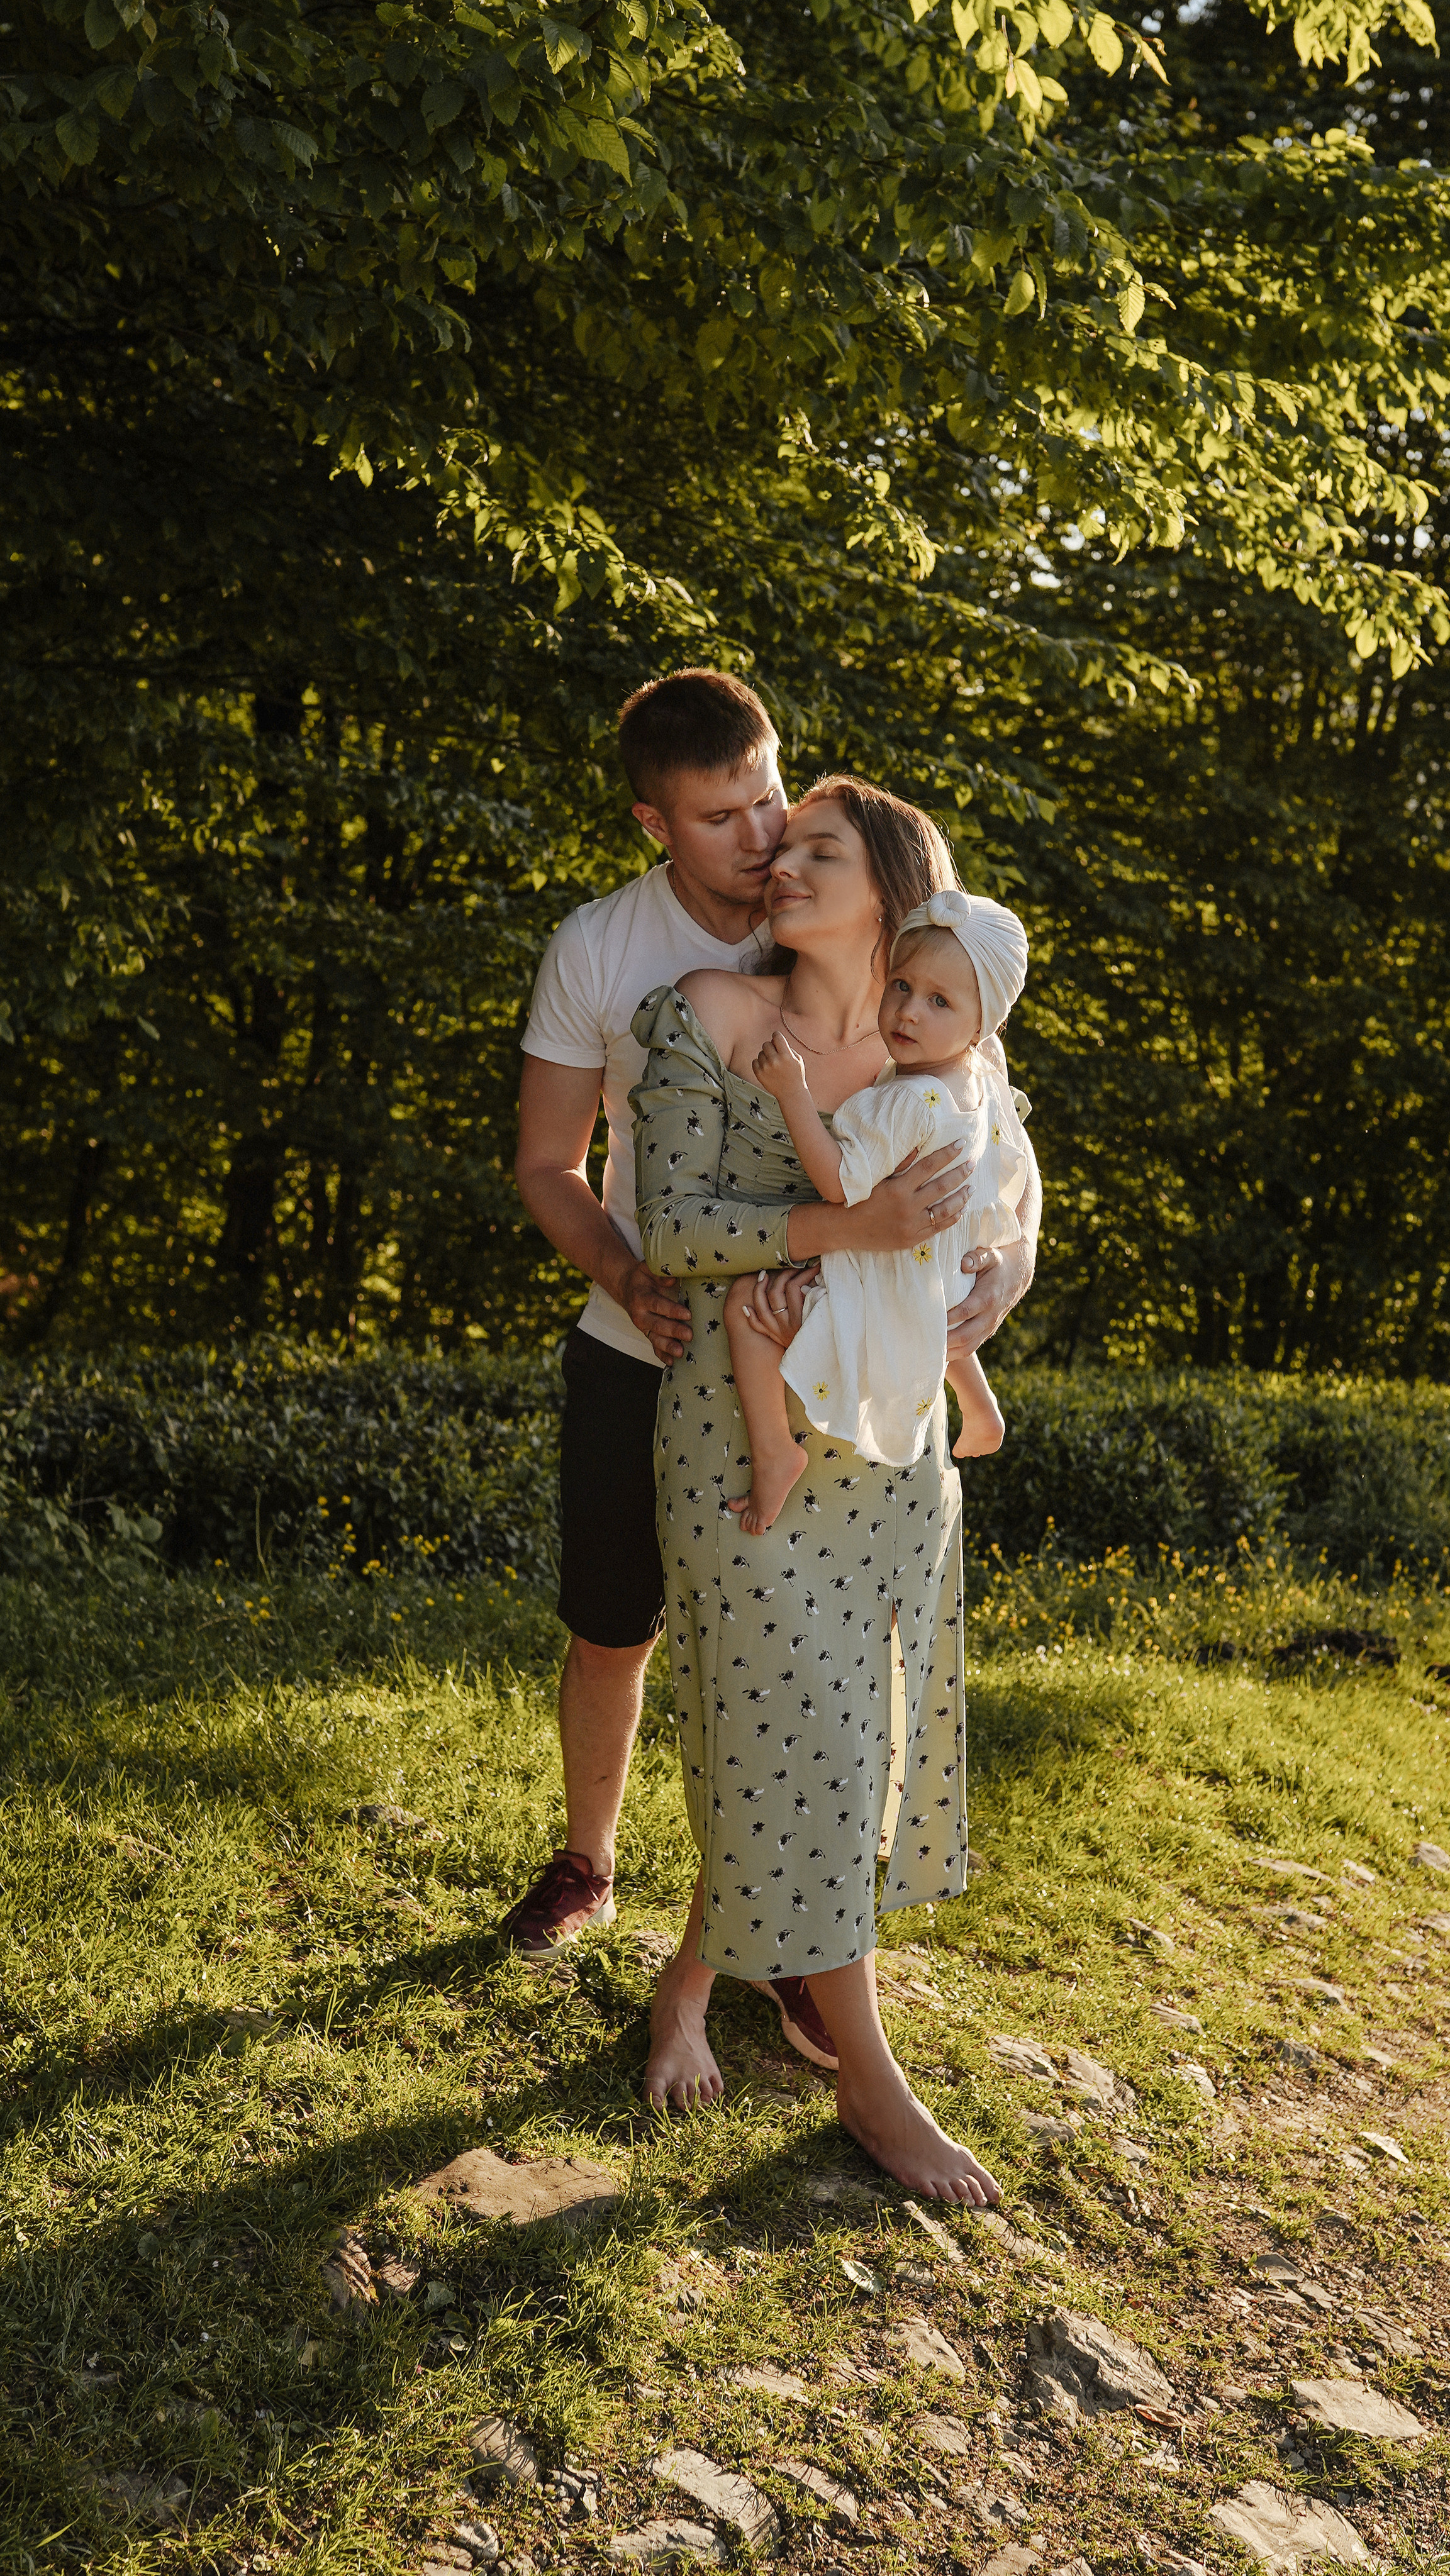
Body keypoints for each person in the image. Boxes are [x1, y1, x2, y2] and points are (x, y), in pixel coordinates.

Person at [504, 677, 1002, 2080]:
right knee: (618, 1627)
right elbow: (552, 1164)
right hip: (649, 1344)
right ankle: (589, 1859)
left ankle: (782, 1958)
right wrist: (628, 1273)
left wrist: (989, 1287)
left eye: (774, 799)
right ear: (658, 820)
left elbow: (989, 1147)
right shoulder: (616, 958)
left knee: (826, 1683)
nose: (764, 836)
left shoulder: (901, 978)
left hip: (855, 1393)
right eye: (726, 817)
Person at [630, 775, 1039, 2200]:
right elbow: (674, 1226)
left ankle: (691, 1984)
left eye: (815, 848)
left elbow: (1014, 1206)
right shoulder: (709, 1013)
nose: (776, 859)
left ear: (892, 883)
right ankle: (872, 2085)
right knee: (789, 1718)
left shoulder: (950, 1052)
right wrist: (848, 1222)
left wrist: (1001, 1279)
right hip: (744, 1436)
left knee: (825, 1741)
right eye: (775, 841)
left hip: (897, 1441)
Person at [722, 885, 1031, 1533]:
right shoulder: (981, 1074)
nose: (908, 1011)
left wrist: (792, 1094)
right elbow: (1018, 1166)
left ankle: (776, 1453)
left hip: (890, 1280)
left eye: (938, 1000)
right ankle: (980, 1407)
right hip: (950, 1271)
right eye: (900, 985)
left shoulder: (904, 1101)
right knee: (933, 1308)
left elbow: (838, 1186)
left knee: (745, 1309)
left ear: (982, 1023)